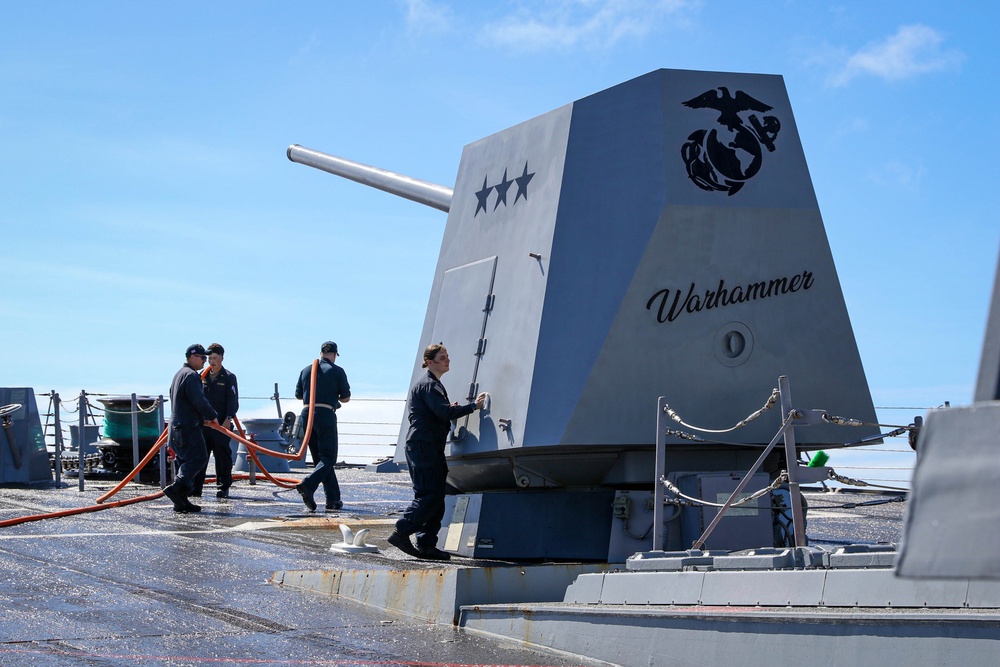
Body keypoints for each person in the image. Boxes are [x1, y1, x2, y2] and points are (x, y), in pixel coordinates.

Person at [388, 344, 487, 560]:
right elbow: (443, 413)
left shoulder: (432, 385)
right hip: (424, 446)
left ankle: (426, 543)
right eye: (443, 357)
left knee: (437, 496)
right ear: (430, 361)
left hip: (428, 446)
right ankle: (402, 531)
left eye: (447, 356)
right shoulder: (429, 385)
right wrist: (473, 407)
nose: (447, 360)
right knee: (429, 495)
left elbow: (436, 411)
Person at [293, 341, 351, 512]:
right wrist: (333, 397)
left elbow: (298, 395)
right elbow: (346, 397)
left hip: (307, 415)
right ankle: (308, 484)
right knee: (328, 458)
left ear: (321, 353)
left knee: (321, 460)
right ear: (334, 355)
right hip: (325, 415)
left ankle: (333, 499)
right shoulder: (337, 371)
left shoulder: (305, 370)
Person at [163, 344, 218, 513]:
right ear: (193, 357)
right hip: (187, 428)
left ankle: (180, 502)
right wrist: (212, 415)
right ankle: (177, 488)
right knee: (199, 458)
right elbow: (198, 400)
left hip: (176, 428)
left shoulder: (178, 375)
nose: (205, 361)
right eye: (202, 358)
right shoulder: (192, 376)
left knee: (185, 461)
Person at [191, 343, 239, 499]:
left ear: (222, 358)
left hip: (220, 425)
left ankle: (223, 487)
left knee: (222, 457)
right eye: (209, 358)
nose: (212, 361)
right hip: (203, 425)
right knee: (201, 457)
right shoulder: (201, 377)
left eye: (215, 358)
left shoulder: (229, 377)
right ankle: (196, 488)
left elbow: (233, 401)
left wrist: (228, 418)